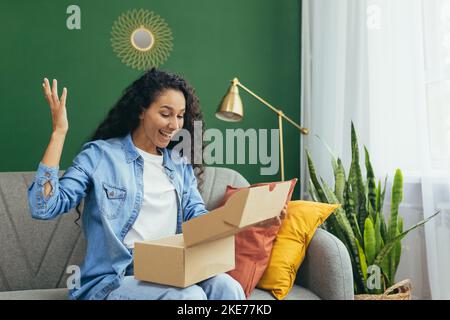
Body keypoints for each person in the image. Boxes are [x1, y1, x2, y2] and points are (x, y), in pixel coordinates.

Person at [27, 68, 285, 300]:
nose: (174, 125)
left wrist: (250, 220)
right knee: (189, 298)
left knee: (227, 288)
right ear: (141, 110)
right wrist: (59, 133)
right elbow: (44, 207)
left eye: (181, 116)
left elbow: (199, 220)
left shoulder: (179, 166)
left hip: (172, 268)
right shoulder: (100, 156)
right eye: (165, 114)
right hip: (114, 281)